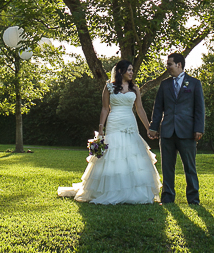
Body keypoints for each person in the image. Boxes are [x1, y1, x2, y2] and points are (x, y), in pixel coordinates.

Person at [57, 60, 161, 204]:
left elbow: (140, 109)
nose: (131, 72)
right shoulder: (109, 87)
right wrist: (101, 129)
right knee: (113, 154)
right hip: (114, 122)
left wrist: (148, 127)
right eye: (129, 70)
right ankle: (109, 190)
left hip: (130, 123)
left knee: (132, 154)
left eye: (132, 70)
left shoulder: (134, 89)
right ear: (120, 71)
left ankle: (132, 190)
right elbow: (105, 108)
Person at [148, 52, 205, 205]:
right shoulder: (165, 84)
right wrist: (154, 127)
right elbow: (158, 107)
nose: (167, 67)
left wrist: (199, 129)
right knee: (167, 167)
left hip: (187, 132)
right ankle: (167, 197)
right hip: (167, 132)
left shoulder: (194, 83)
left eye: (169, 64)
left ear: (179, 65)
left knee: (190, 167)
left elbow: (199, 109)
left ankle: (193, 199)